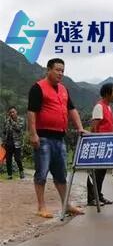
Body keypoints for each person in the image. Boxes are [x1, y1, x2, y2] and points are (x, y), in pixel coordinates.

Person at [27, 58, 86, 218]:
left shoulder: (63, 89)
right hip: (43, 137)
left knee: (61, 173)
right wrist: (33, 134)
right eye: (57, 70)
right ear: (48, 70)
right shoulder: (38, 87)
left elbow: (72, 110)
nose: (60, 73)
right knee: (41, 173)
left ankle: (66, 204)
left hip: (59, 138)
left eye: (62, 71)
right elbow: (31, 112)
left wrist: (80, 127)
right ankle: (41, 207)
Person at [86, 83, 113, 206]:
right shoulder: (99, 106)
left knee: (101, 172)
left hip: (107, 146)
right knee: (94, 172)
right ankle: (92, 198)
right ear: (107, 93)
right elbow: (94, 127)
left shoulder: (108, 107)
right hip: (99, 145)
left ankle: (98, 195)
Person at [2, 106, 25, 179]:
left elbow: (18, 128)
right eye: (10, 112)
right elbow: (4, 132)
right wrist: (3, 141)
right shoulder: (6, 121)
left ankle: (21, 171)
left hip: (17, 143)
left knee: (17, 159)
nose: (12, 114)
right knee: (8, 160)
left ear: (16, 112)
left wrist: (11, 121)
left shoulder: (21, 120)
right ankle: (10, 175)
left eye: (13, 112)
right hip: (8, 143)